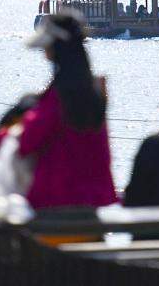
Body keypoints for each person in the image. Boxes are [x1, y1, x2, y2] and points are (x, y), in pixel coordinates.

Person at [19, 11, 118, 209]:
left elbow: (26, 143)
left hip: (57, 203)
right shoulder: (94, 93)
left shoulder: (59, 97)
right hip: (96, 204)